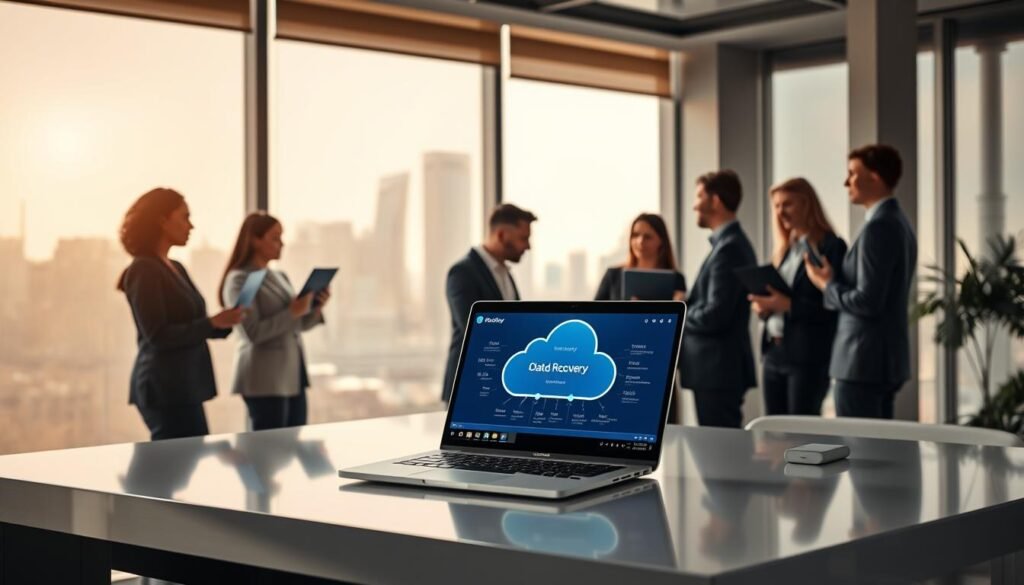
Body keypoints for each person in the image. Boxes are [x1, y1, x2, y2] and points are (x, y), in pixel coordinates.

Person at [118, 188, 243, 441]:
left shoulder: (176, 267)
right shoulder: (143, 269)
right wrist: (210, 323)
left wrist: (225, 322)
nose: (191, 226)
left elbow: (195, 324)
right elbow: (158, 335)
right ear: (162, 221)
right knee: (171, 470)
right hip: (164, 387)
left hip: (185, 386)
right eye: (185, 217)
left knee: (179, 469)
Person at [805, 144, 917, 419]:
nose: (846, 182)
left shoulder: (879, 227)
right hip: (878, 362)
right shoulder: (898, 222)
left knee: (861, 454)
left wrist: (826, 285)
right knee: (878, 453)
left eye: (853, 173)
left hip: (862, 363)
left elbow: (868, 301)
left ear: (875, 177)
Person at [220, 212, 329, 431]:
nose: (282, 243)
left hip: (292, 376)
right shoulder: (242, 279)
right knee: (268, 453)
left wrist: (315, 308)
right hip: (264, 381)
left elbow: (295, 325)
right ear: (255, 240)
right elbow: (252, 332)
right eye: (275, 237)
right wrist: (292, 312)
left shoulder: (280, 277)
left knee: (293, 445)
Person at [747, 178, 847, 416]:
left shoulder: (831, 247)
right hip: (774, 352)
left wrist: (789, 305)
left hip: (807, 356)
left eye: (787, 204)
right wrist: (765, 308)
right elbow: (778, 297)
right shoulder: (785, 250)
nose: (781, 212)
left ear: (806, 205)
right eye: (777, 206)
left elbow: (834, 306)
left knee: (799, 436)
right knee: (773, 435)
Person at [677, 170, 757, 428]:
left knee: (720, 459)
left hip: (717, 372)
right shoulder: (727, 245)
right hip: (716, 372)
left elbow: (715, 315)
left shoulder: (729, 248)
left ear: (716, 201)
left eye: (699, 196)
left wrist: (679, 311)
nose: (693, 205)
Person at [442, 204, 537, 402]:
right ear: (501, 235)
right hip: (467, 386)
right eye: (523, 238)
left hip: (498, 384)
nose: (528, 246)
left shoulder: (504, 273)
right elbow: (474, 330)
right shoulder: (462, 272)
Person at [594, 213, 686, 301]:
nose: (640, 241)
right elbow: (593, 314)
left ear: (661, 241)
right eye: (635, 235)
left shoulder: (677, 280)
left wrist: (678, 305)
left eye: (647, 237)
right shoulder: (613, 276)